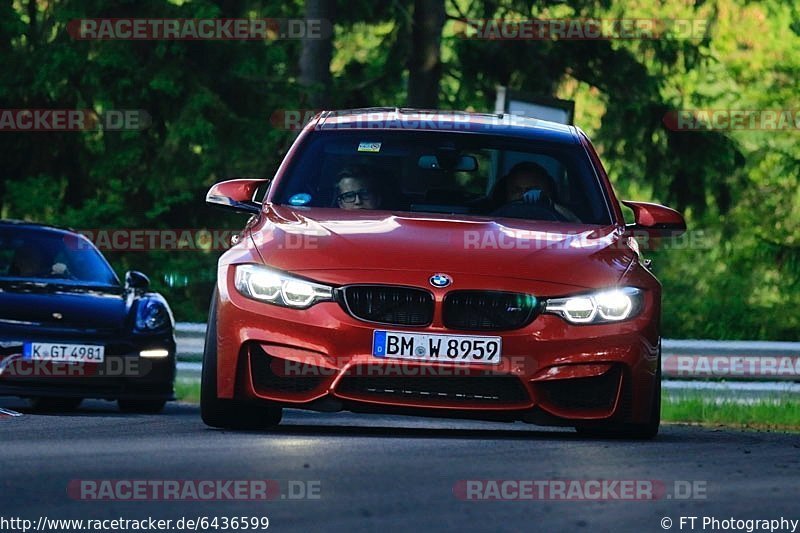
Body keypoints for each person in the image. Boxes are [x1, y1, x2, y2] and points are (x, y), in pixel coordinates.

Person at [492, 161, 581, 222]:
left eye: (531, 190)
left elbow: (578, 224)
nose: (523, 195)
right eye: (516, 190)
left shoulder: (560, 216)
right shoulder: (491, 218)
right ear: (507, 193)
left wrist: (550, 204)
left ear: (548, 192)